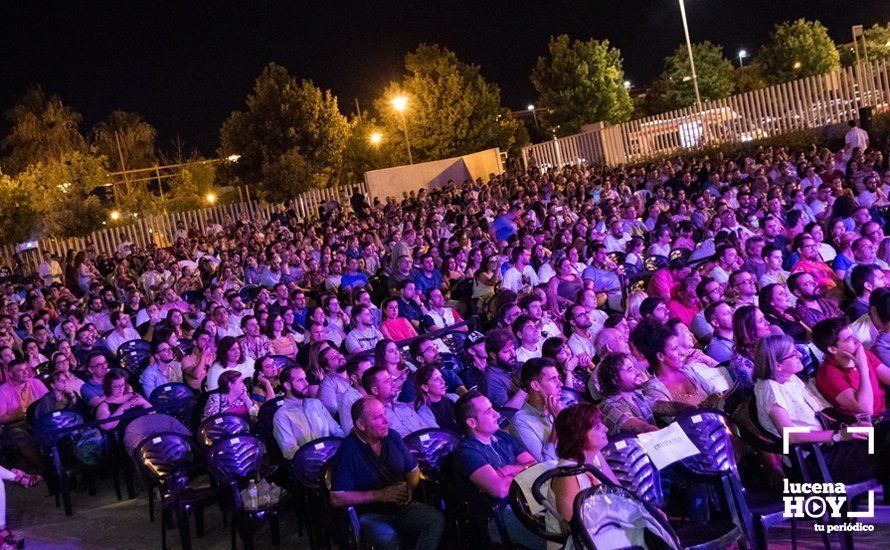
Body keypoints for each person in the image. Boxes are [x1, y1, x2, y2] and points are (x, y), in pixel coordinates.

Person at [753, 334, 883, 484]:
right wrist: (838, 435)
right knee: (883, 451)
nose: (800, 355)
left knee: (884, 433)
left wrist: (850, 428)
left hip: (831, 445)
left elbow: (820, 415)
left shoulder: (790, 379)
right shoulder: (770, 388)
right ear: (778, 365)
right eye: (793, 354)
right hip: (815, 459)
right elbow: (791, 436)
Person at [330, 396, 445, 550]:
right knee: (389, 539)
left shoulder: (392, 437)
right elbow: (337, 497)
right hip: (370, 514)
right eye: (378, 417)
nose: (386, 421)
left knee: (435, 519)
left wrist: (409, 488)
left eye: (385, 414)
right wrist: (380, 495)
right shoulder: (348, 450)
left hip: (401, 506)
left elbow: (413, 470)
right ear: (361, 424)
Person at [452, 391, 542, 549]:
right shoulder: (467, 452)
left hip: (527, 501)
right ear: (472, 422)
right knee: (556, 537)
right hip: (500, 516)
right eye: (488, 411)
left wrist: (509, 470)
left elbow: (534, 465)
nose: (496, 414)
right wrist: (523, 472)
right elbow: (499, 490)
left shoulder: (502, 437)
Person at [546, 404, 620, 545]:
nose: (606, 428)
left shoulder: (595, 455)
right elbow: (574, 529)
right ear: (578, 434)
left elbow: (618, 490)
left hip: (605, 531)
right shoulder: (567, 475)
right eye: (597, 427)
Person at [812, 317, 890, 418]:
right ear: (832, 349)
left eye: (853, 335)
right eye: (848, 339)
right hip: (871, 425)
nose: (856, 341)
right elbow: (866, 412)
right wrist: (862, 368)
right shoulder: (828, 376)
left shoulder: (862, 354)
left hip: (886, 411)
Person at [273, 366, 343, 460]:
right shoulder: (281, 416)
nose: (306, 383)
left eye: (305, 379)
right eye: (300, 380)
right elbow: (290, 452)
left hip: (333, 456)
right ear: (287, 386)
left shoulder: (316, 403)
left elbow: (336, 430)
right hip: (310, 466)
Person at [511, 358, 563, 462]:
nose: (560, 384)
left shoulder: (562, 406)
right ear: (535, 385)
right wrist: (558, 420)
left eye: (559, 378)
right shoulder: (521, 422)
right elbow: (545, 463)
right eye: (553, 379)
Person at [362, 367, 435, 437]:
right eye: (387, 381)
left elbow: (429, 431)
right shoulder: (377, 418)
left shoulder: (406, 407)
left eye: (391, 379)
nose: (393, 384)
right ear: (375, 390)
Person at [597, 353, 658, 435]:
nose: (637, 372)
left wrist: (679, 408)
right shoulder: (610, 406)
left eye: (634, 367)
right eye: (630, 369)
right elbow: (644, 429)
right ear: (614, 380)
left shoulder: (636, 396)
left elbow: (664, 406)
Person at [413, 365, 458, 432]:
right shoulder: (424, 412)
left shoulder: (454, 398)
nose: (443, 382)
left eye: (441, 377)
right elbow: (438, 435)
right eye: (436, 379)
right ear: (425, 387)